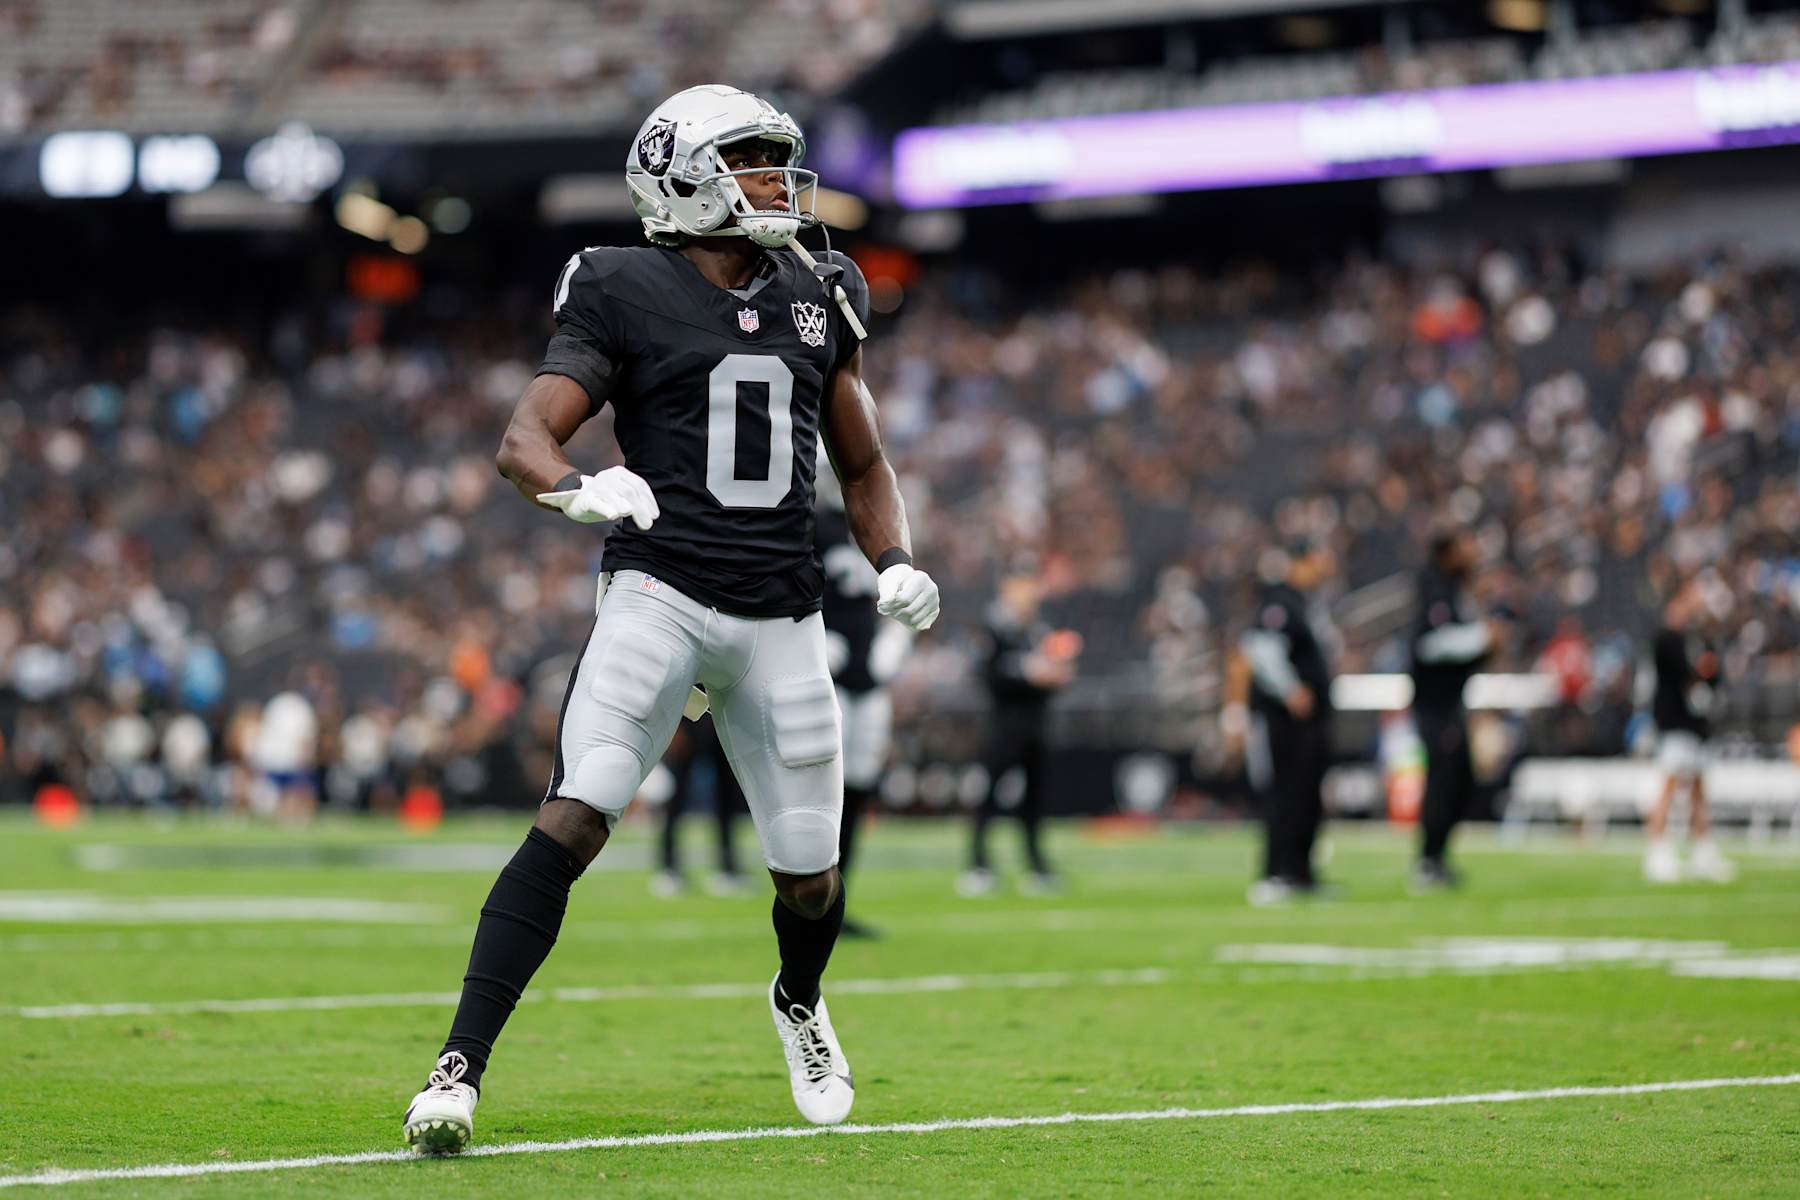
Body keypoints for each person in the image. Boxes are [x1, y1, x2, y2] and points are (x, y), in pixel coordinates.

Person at [402, 84, 941, 1154]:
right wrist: (576, 489)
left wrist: (894, 559)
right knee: (579, 809)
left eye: (776, 160)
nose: (776, 183)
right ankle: (456, 1072)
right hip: (661, 589)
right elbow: (525, 439)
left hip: (780, 610)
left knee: (810, 870)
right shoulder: (619, 283)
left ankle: (797, 1000)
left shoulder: (821, 287)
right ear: (682, 173)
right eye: (750, 161)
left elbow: (864, 458)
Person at [816, 457, 911, 937]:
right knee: (821, 790)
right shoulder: (812, 523)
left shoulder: (877, 521)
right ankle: (809, 897)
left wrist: (897, 641)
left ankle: (838, 896)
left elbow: (907, 589)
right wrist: (811, 638)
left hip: (869, 681)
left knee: (859, 787)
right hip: (826, 677)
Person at [960, 564, 1077, 897]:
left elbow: (1052, 676)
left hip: (1035, 727)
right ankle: (978, 864)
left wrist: (1056, 675)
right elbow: (986, 674)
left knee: (1034, 800)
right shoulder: (994, 628)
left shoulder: (1038, 630)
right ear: (1008, 588)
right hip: (1003, 727)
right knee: (989, 796)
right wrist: (1028, 674)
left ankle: (1036, 866)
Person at [1232, 540, 1336, 906]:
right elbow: (1259, 649)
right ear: (1300, 561)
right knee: (1284, 795)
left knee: (1306, 797)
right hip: (1284, 721)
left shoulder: (1305, 602)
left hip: (1307, 723)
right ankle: (1276, 872)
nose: (1325, 567)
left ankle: (1300, 872)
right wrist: (1290, 689)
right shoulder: (1280, 599)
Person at [1408, 529, 1503, 890]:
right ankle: (1429, 860)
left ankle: (1437, 857)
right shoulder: (1436, 587)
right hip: (1436, 704)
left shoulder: (1457, 588)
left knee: (1459, 778)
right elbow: (1431, 644)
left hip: (1452, 703)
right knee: (1443, 780)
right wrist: (1482, 638)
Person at [1644, 582, 1732, 884]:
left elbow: (1714, 674)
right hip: (1674, 723)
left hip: (1697, 725)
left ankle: (1702, 850)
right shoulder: (1667, 639)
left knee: (1698, 788)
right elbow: (1684, 672)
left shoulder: (1701, 638)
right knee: (1669, 784)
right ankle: (1658, 849)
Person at [650, 714, 749, 897]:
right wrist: (675, 727)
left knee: (727, 798)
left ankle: (728, 867)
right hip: (688, 718)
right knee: (675, 799)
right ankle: (669, 868)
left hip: (718, 719)